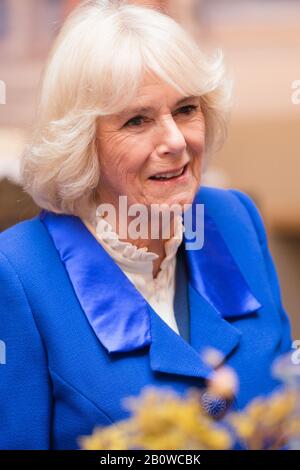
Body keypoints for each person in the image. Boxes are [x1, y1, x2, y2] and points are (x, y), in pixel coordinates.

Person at [0, 0, 292, 450]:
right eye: (137, 120)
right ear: (82, 144)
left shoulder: (234, 218)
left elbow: (282, 402)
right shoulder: (17, 273)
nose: (175, 141)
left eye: (186, 109)